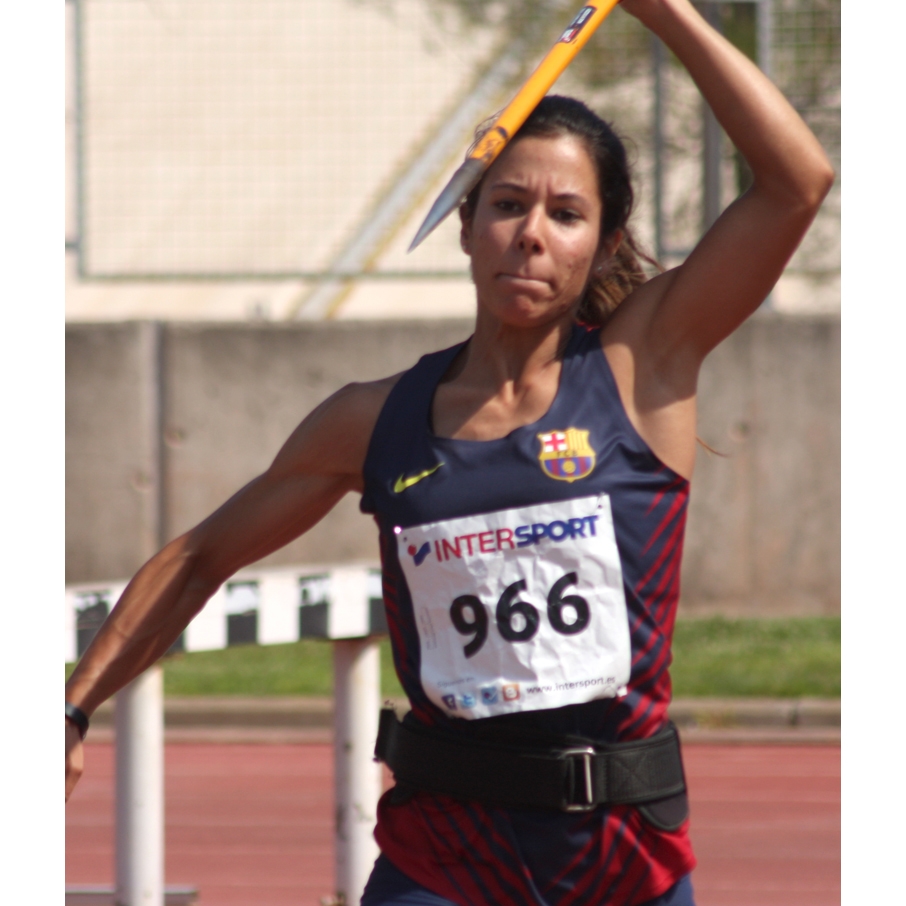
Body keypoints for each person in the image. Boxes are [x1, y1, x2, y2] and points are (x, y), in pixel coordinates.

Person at [65, 1, 833, 903]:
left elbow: (797, 183)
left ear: (604, 242)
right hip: (444, 858)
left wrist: (667, 15)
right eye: (507, 205)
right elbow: (201, 555)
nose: (532, 233)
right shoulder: (374, 421)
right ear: (467, 227)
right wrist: (71, 707)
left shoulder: (644, 367)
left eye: (567, 213)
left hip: (622, 861)